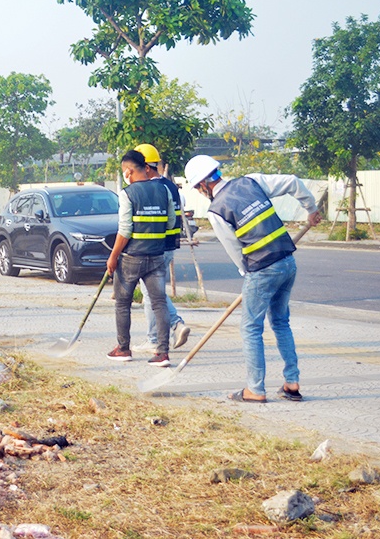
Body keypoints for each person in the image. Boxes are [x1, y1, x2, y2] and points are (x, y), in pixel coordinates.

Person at [184, 155, 321, 403]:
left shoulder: (217, 211)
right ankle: (292, 383)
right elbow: (292, 181)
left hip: (262, 269)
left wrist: (248, 276)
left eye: (196, 187)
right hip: (287, 261)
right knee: (280, 322)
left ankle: (255, 390)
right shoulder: (251, 182)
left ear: (203, 184)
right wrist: (311, 209)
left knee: (250, 327)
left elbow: (236, 252)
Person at [106, 150, 176, 367]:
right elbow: (171, 222)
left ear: (128, 170)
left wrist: (113, 256)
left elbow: (125, 230)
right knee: (159, 303)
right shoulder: (164, 189)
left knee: (122, 303)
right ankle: (162, 353)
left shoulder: (127, 193)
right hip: (156, 255)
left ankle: (123, 348)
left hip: (131, 258)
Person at [131, 144, 191, 353]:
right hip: (169, 246)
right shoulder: (171, 186)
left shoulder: (151, 189)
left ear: (147, 168)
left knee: (150, 294)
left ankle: (160, 334)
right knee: (154, 292)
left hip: (154, 247)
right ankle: (170, 327)